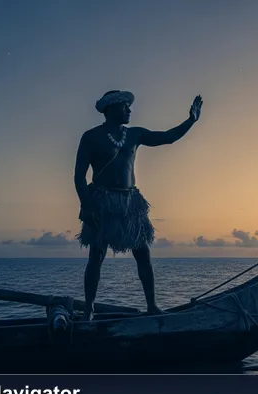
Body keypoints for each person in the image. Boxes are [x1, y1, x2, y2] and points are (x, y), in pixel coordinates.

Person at [74, 90, 203, 320]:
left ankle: (152, 305)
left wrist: (191, 120)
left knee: (143, 253)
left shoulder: (135, 135)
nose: (130, 110)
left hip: (130, 203)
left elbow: (167, 137)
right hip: (102, 202)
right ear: (111, 109)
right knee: (96, 255)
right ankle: (89, 308)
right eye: (125, 106)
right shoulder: (90, 137)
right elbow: (79, 177)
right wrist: (87, 206)